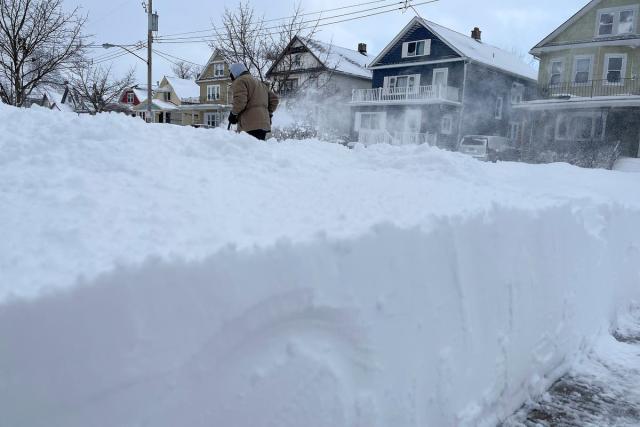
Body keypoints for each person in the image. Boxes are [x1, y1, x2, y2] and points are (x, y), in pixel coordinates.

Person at [228, 63, 279, 141]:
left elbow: (240, 102)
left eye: (231, 74)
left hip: (249, 124)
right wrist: (267, 113)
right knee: (257, 150)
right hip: (263, 124)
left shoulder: (240, 81)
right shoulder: (259, 83)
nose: (231, 76)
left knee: (248, 150)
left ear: (235, 72)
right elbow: (274, 99)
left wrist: (233, 114)